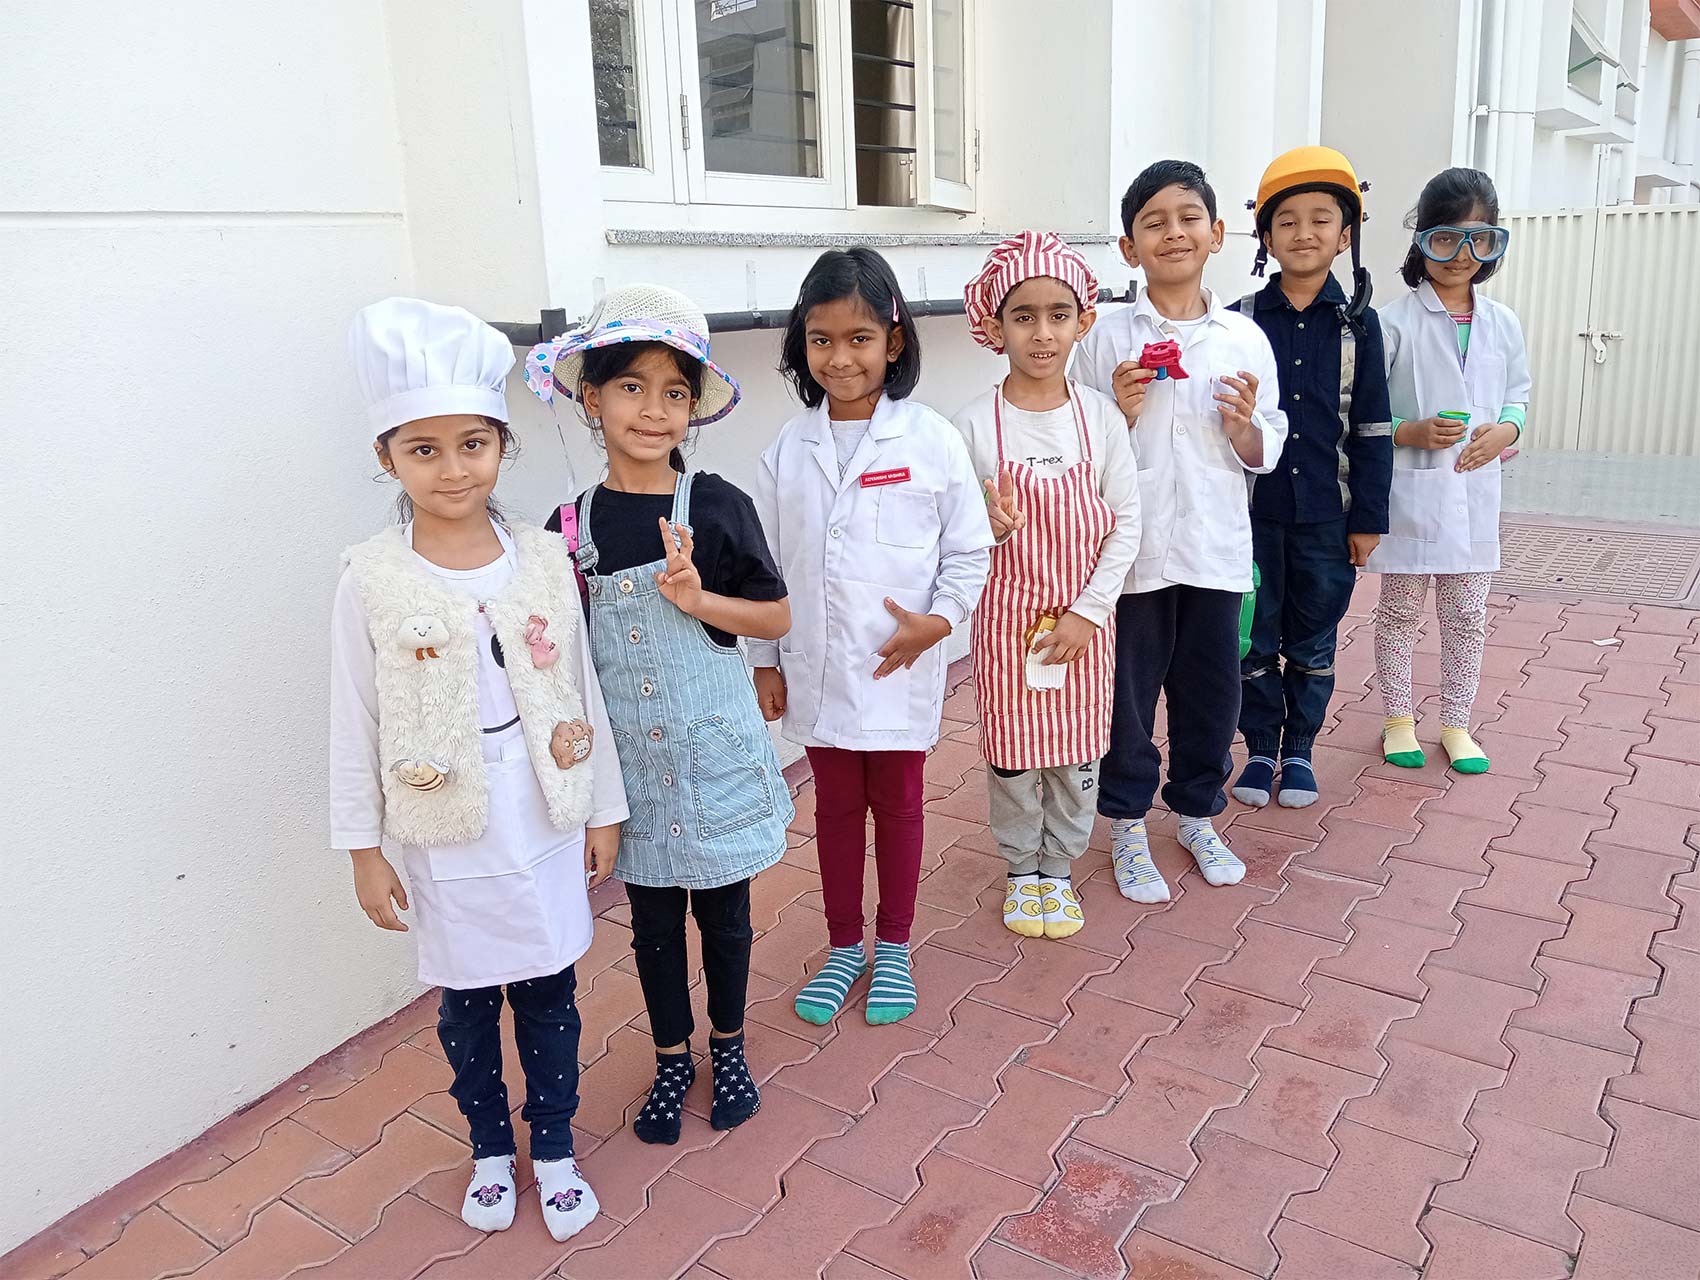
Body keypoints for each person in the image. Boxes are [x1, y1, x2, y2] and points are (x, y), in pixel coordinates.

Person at [330, 298, 624, 1240]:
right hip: (443, 824)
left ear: (502, 445)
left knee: (548, 988)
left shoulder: (540, 559)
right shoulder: (371, 578)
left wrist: (603, 808)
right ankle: (490, 1148)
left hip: (540, 810)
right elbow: (353, 718)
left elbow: (582, 690)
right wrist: (363, 850)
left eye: (473, 444)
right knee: (466, 1001)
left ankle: (555, 1148)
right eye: (424, 450)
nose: (452, 469)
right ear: (387, 456)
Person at [527, 285, 793, 1146]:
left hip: (713, 759)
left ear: (693, 410)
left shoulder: (716, 506)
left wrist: (700, 598)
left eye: (674, 391)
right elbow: (561, 653)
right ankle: (671, 1056)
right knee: (649, 926)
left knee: (724, 917)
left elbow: (775, 617)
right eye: (631, 387)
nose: (653, 409)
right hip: (629, 771)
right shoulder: (569, 526)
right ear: (591, 398)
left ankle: (730, 1047)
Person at [750, 247, 992, 1026]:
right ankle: (843, 945)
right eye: (821, 339)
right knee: (833, 808)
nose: (840, 357)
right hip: (816, 669)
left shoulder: (931, 440)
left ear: (893, 341)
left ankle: (893, 945)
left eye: (859, 338)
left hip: (898, 668)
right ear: (802, 344)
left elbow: (969, 551)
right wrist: (764, 661)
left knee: (898, 804)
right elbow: (762, 568)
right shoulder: (786, 452)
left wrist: (941, 622)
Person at [1073, 160, 1288, 904]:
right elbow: (1081, 444)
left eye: (1189, 217)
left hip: (1213, 549)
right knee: (1126, 696)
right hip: (1130, 556)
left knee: (1210, 693)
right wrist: (1117, 412)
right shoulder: (1103, 339)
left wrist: (1244, 427)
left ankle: (1197, 813)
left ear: (1217, 233)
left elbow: (1266, 446)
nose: (1174, 233)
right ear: (1128, 248)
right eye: (1153, 222)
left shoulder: (1243, 339)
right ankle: (1127, 823)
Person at [951, 231, 1141, 938]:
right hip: (1006, 627)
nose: (1041, 333)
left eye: (1058, 315)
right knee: (1012, 758)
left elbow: (1127, 523)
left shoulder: (1100, 418)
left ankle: (1057, 869)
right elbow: (953, 536)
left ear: (1082, 321)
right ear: (994, 325)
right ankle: (1019, 870)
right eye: (1023, 316)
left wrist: (1088, 612)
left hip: (1084, 628)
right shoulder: (973, 424)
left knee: (1075, 756)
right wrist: (988, 528)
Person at [1230, 147, 1393, 809]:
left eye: (1321, 219)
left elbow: (1373, 428)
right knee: (1252, 637)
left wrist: (1368, 520)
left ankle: (1299, 748)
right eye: (1287, 221)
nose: (1304, 233)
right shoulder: (1238, 321)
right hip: (1250, 516)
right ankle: (1258, 748)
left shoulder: (1361, 325)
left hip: (1329, 515)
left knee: (1313, 639)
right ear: (1265, 238)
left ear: (1345, 235)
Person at [1368, 167, 1529, 775]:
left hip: (1475, 492)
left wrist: (1508, 429)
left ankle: (1457, 723)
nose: (1463, 255)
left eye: (1479, 240)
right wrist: (1408, 432)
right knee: (1400, 615)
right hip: (1412, 494)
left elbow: (1517, 393)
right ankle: (1398, 720)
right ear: (1422, 240)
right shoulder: (1391, 322)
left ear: (1493, 244)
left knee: (1467, 617)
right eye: (1446, 239)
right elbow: (1366, 411)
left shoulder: (1502, 322)